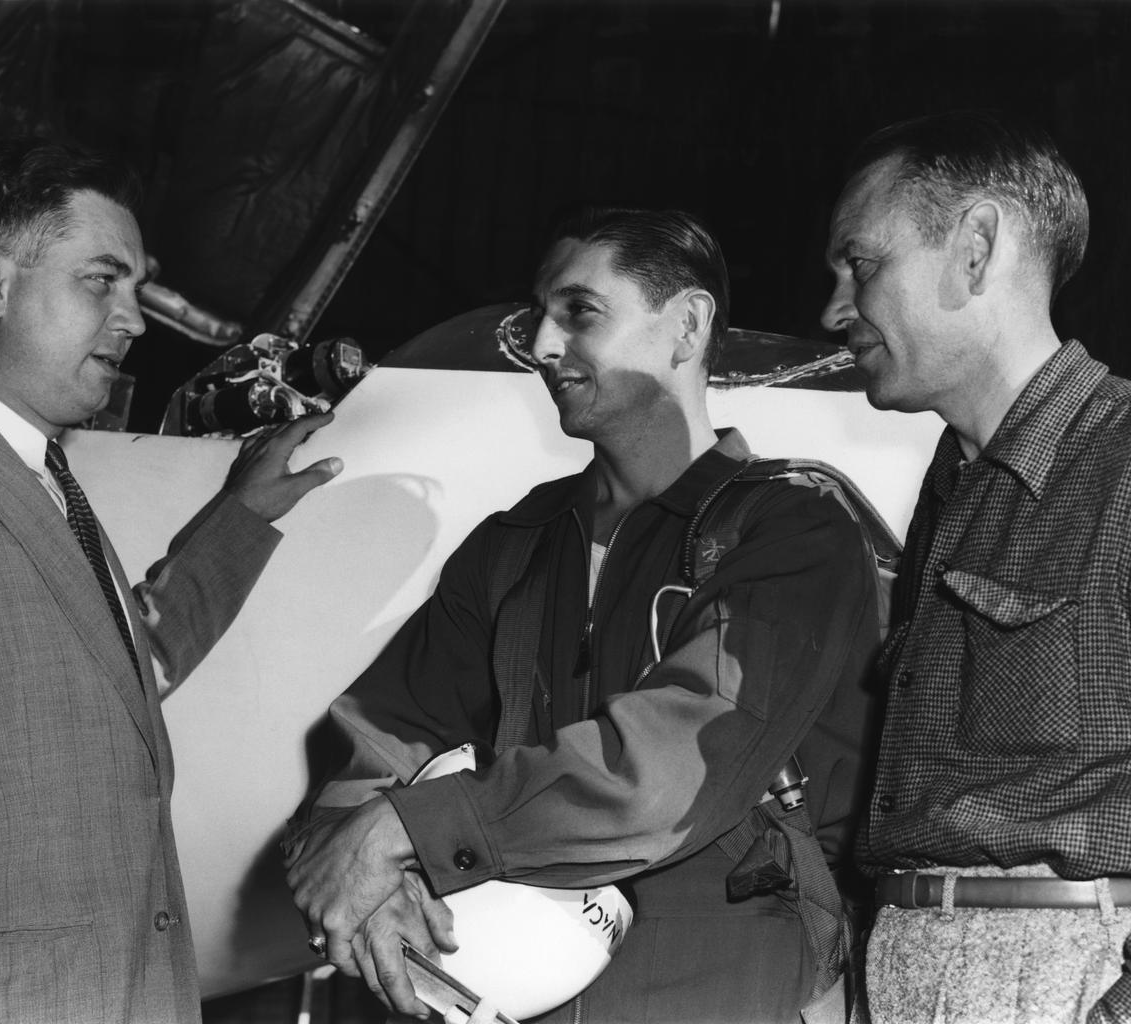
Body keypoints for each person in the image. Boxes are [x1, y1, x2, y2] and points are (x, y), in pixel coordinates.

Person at [287, 207, 881, 1023]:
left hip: (729, 990)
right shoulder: (516, 545)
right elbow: (385, 729)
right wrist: (359, 871)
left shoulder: (790, 531)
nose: (539, 345)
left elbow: (670, 770)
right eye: (538, 315)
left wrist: (407, 829)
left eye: (579, 312)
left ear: (687, 327)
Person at [0, 138, 340, 1023]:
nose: (136, 319)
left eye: (136, 288)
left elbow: (128, 670)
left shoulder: (46, 481)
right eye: (101, 281)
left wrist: (243, 517)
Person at [820, 109, 1131, 1024]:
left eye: (861, 264)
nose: (834, 309)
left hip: (1068, 976)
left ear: (976, 248)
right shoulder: (952, 492)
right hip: (908, 971)